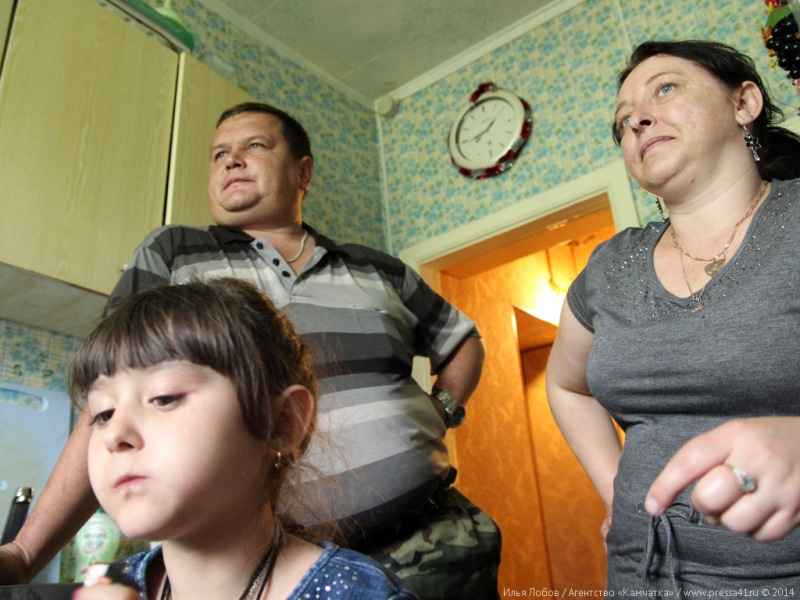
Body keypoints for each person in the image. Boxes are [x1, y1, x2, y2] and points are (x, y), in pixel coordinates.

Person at [0, 102, 499, 599]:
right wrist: (25, 553)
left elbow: (462, 340)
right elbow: (112, 395)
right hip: (260, 572)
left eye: (254, 145)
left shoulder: (381, 269)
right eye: (219, 154)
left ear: (303, 172)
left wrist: (443, 409)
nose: (231, 161)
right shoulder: (175, 252)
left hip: (433, 546)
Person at [545, 39, 800, 593]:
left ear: (744, 103)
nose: (637, 119)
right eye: (623, 120)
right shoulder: (608, 268)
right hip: (639, 576)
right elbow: (567, 386)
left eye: (665, 89)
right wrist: (616, 492)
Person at [67, 277, 417, 600]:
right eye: (103, 413)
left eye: (164, 397)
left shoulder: (361, 594)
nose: (115, 434)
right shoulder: (108, 587)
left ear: (282, 423)